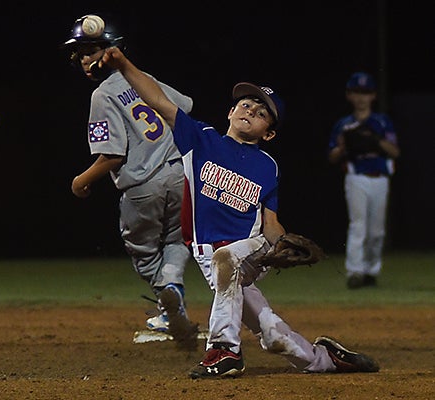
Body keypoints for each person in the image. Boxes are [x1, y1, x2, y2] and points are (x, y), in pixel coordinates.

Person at [97, 46, 380, 378]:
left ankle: (223, 351)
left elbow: (270, 223)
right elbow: (157, 100)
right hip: (208, 257)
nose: (251, 109)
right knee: (273, 335)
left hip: (248, 249)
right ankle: (324, 358)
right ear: (230, 112)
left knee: (227, 259)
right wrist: (122, 65)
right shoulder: (200, 140)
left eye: (262, 113)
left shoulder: (267, 166)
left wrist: (282, 243)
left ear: (269, 133)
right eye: (246, 103)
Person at [60, 14, 197, 342]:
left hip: (141, 185)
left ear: (111, 50)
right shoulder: (141, 77)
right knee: (179, 239)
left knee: (143, 249)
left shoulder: (101, 95)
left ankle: (168, 301)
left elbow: (113, 155)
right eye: (80, 53)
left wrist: (81, 181)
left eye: (90, 51)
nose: (83, 59)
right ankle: (174, 286)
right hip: (180, 174)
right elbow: (185, 107)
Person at [328, 72, 400, 289]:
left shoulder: (381, 122)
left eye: (365, 93)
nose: (361, 97)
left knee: (377, 231)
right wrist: (343, 146)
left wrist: (373, 139)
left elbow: (395, 152)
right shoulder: (344, 124)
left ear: (373, 96)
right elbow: (332, 156)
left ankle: (371, 270)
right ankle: (355, 272)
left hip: (380, 179)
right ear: (349, 95)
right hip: (356, 177)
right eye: (357, 92)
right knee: (358, 226)